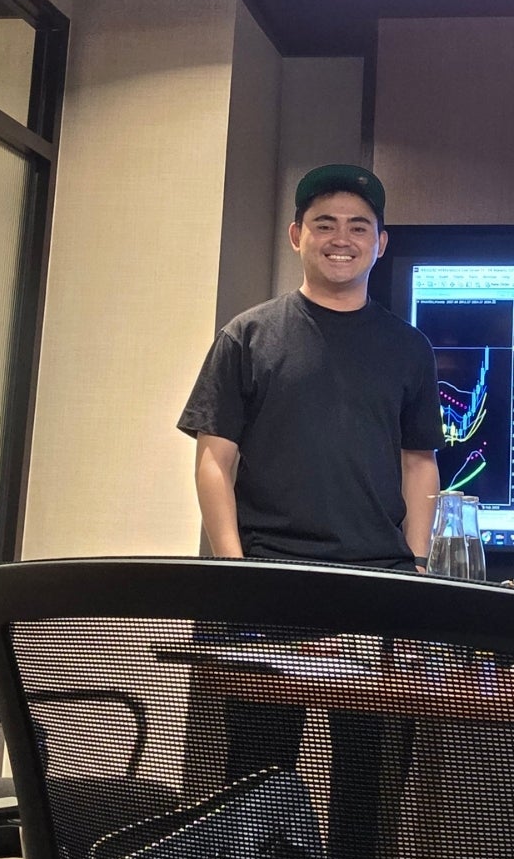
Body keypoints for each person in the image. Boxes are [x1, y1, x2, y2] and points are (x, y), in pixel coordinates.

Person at [178, 162, 442, 568]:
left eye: (358, 227)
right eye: (324, 225)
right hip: (271, 567)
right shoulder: (246, 337)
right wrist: (234, 568)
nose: (341, 239)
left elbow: (419, 462)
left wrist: (419, 562)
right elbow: (214, 461)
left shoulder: (410, 348)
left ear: (380, 243)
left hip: (383, 572)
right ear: (296, 236)